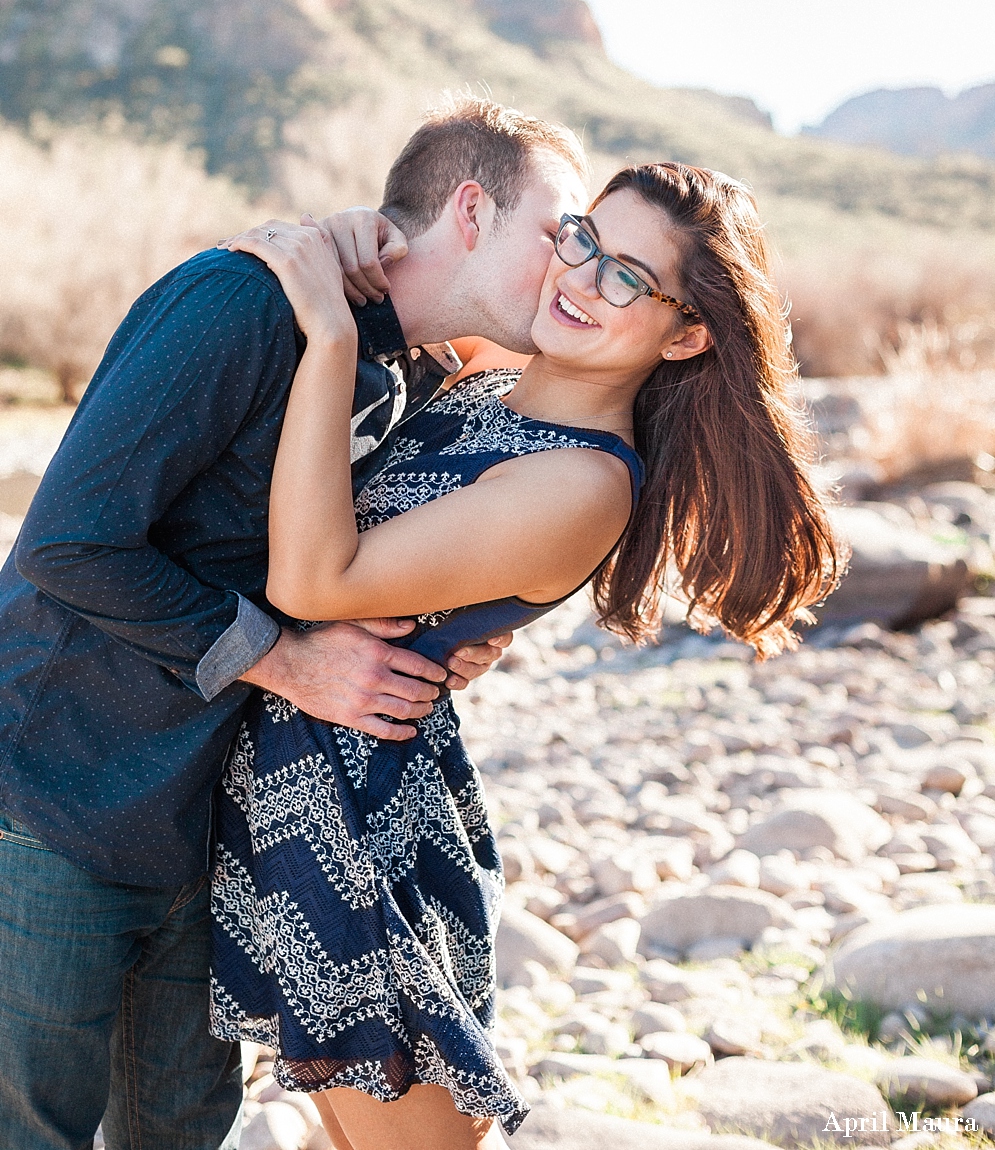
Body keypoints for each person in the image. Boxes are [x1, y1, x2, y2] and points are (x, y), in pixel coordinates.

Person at [213, 160, 842, 1149]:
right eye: (584, 237)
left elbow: (312, 582)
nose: (581, 277)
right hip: (285, 784)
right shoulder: (487, 371)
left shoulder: (585, 481)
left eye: (628, 276)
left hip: (361, 830)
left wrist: (328, 332)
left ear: (687, 333)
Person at [0, 97, 589, 1150]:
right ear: (468, 209)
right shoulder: (245, 300)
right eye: (558, 233)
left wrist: (454, 632)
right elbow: (67, 544)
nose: (568, 268)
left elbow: (368, 552)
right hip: (56, 793)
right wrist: (287, 660)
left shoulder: (406, 369)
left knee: (181, 1131)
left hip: (205, 827)